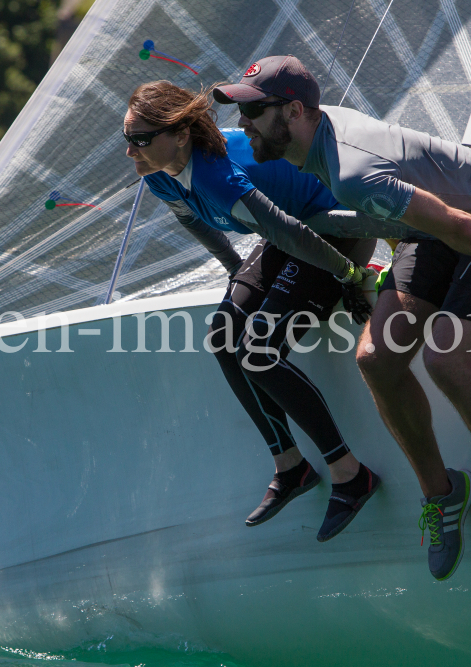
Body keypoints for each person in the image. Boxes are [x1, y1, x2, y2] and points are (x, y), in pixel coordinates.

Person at [214, 56, 471, 584]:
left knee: (444, 360)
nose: (243, 126)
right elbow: (413, 215)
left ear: (293, 110)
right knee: (376, 358)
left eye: (253, 112)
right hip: (434, 232)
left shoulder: (351, 171)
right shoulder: (313, 138)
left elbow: (452, 222)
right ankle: (441, 493)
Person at [125, 81, 380, 541]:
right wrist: (235, 273)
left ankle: (349, 474)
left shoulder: (217, 174)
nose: (131, 152)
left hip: (332, 234)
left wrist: (347, 274)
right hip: (288, 235)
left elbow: (287, 231)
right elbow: (197, 224)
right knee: (223, 337)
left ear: (180, 135)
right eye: (127, 140)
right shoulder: (158, 173)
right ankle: (291, 465)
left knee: (258, 350)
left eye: (141, 140)